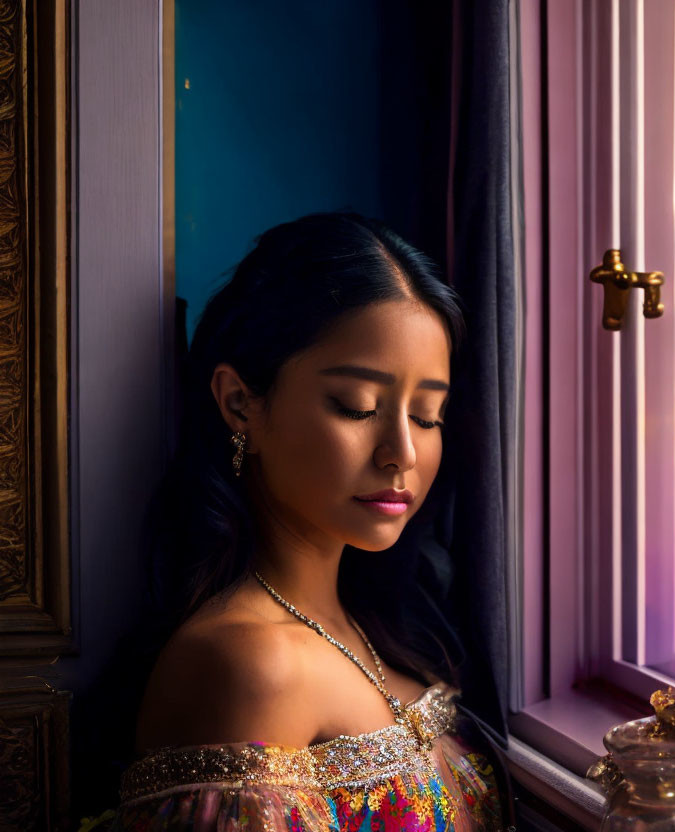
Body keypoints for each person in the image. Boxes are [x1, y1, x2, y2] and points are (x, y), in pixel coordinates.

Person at [107, 212, 509, 831]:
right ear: (240, 403)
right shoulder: (250, 664)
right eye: (357, 407)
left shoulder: (376, 620)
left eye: (428, 416)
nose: (401, 451)